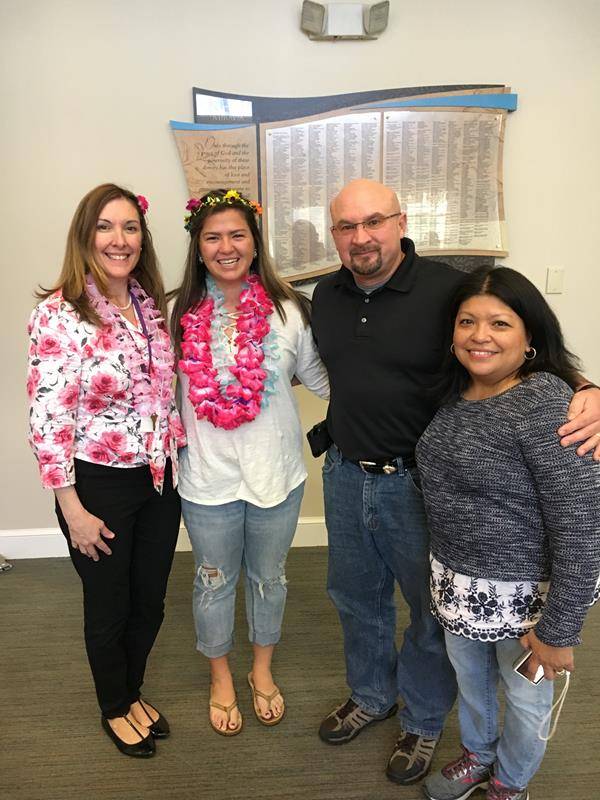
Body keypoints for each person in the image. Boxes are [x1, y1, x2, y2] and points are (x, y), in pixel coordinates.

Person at [310, 178, 600, 785]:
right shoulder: (325, 297)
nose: (361, 237)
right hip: (346, 474)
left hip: (420, 487)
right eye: (346, 226)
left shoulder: (449, 291)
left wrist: (588, 390)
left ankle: (421, 722)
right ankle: (371, 695)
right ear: (332, 233)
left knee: (426, 618)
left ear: (401, 221)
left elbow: (514, 342)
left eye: (374, 222)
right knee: (356, 601)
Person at [417, 266, 600, 800]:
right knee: (471, 688)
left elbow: (582, 525)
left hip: (527, 603)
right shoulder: (452, 395)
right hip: (459, 589)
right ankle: (478, 755)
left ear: (529, 339)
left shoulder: (545, 403)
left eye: (500, 323)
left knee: (524, 700)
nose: (480, 335)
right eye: (467, 321)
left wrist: (560, 630)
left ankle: (510, 783)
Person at [27, 183, 186, 759]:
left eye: (130, 228)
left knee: (151, 601)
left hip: (158, 476)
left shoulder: (146, 304)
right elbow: (48, 417)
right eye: (105, 227)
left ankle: (133, 690)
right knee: (109, 604)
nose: (119, 240)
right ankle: (113, 706)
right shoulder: (60, 313)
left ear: (142, 239)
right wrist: (72, 509)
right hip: (97, 485)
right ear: (84, 235)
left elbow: (163, 398)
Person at [171, 189, 328, 736]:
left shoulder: (290, 311)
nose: (226, 246)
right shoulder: (177, 312)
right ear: (198, 247)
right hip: (206, 478)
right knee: (213, 582)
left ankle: (261, 670)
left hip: (275, 477)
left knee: (269, 579)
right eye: (212, 237)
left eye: (237, 234)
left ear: (255, 243)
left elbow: (326, 382)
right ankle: (220, 675)